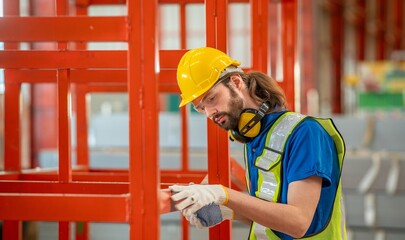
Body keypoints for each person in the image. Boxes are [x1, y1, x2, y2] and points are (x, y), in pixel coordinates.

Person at [169, 47, 347, 239]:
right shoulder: (255, 140)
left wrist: (222, 194)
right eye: (201, 108)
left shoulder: (305, 133)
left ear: (236, 82)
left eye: (211, 98)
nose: (210, 112)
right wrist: (228, 212)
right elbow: (272, 214)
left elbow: (298, 222)